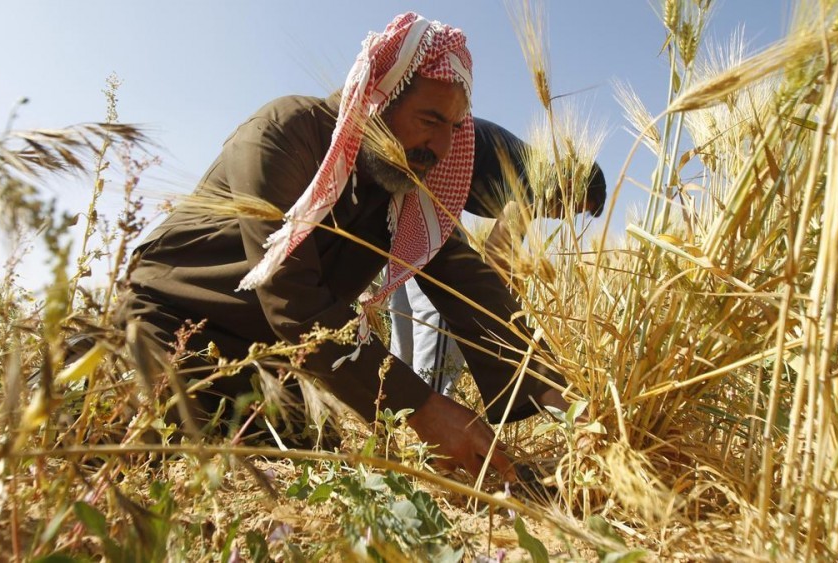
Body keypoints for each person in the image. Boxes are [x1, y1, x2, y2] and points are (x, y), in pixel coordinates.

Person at [120, 12, 566, 481]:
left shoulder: (408, 189)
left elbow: (469, 287)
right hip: (169, 332)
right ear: (377, 101)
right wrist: (422, 407)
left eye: (453, 127)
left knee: (322, 461)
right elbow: (292, 297)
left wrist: (557, 396)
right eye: (429, 119)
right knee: (154, 457)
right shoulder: (284, 133)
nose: (439, 145)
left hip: (267, 362)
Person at [390, 123, 606, 396]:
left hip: (404, 171)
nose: (564, 216)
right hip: (428, 177)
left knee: (403, 305)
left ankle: (392, 406)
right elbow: (494, 259)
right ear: (571, 183)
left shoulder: (529, 170)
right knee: (447, 303)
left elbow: (503, 260)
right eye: (573, 206)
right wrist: (508, 318)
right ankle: (433, 405)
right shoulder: (535, 182)